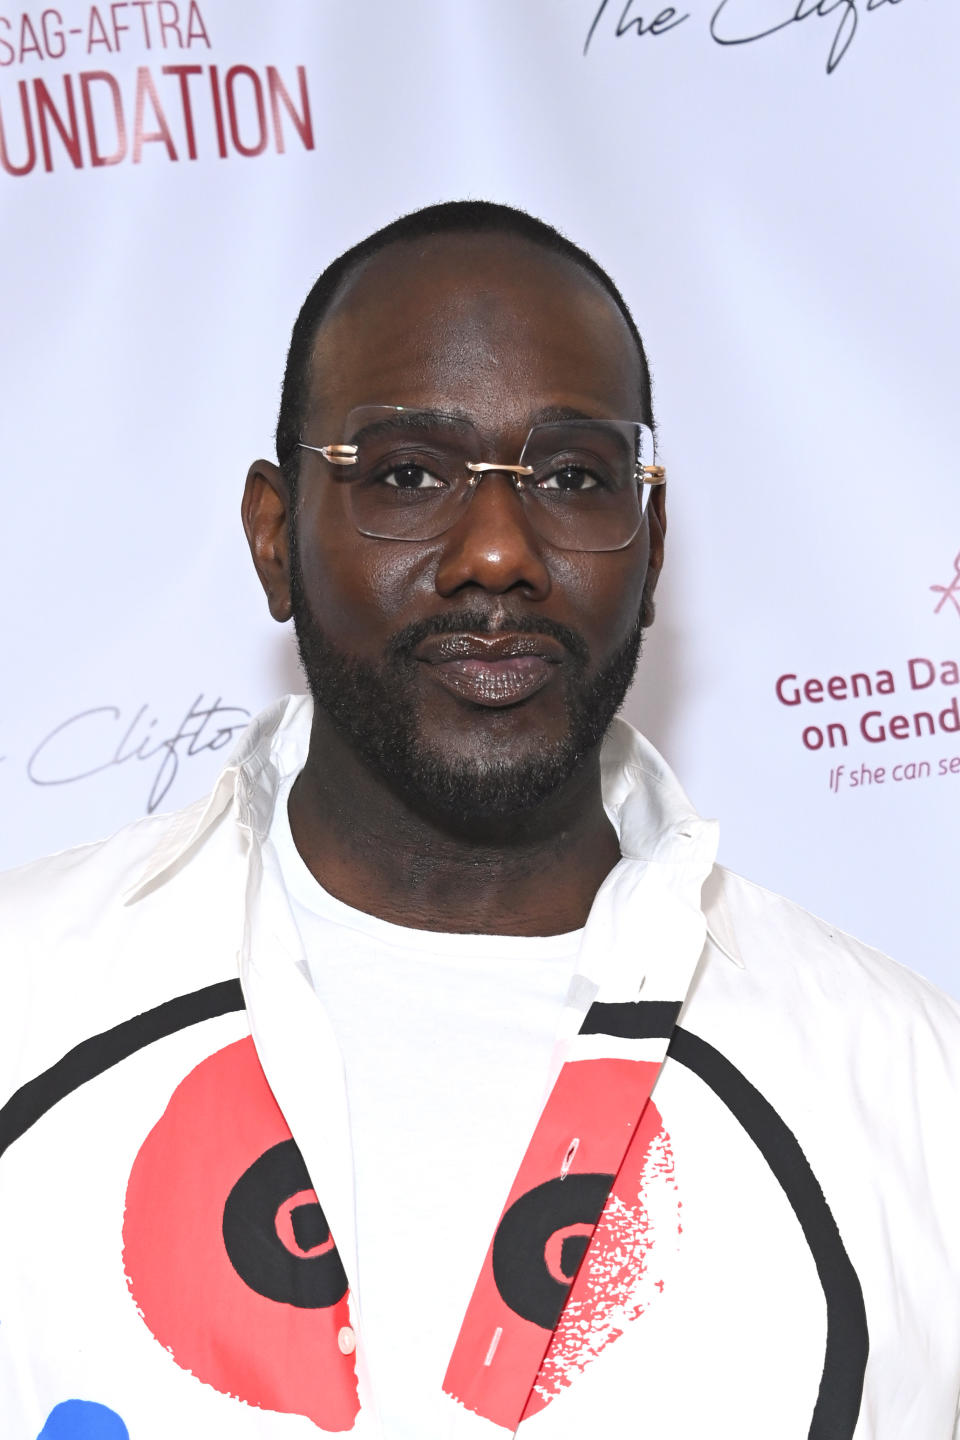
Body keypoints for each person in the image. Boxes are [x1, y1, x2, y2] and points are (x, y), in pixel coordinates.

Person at [1, 201, 958, 1440]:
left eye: (571, 477)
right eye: (406, 474)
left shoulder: (907, 1090)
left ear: (654, 543)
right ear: (274, 534)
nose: (498, 551)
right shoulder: (24, 1002)